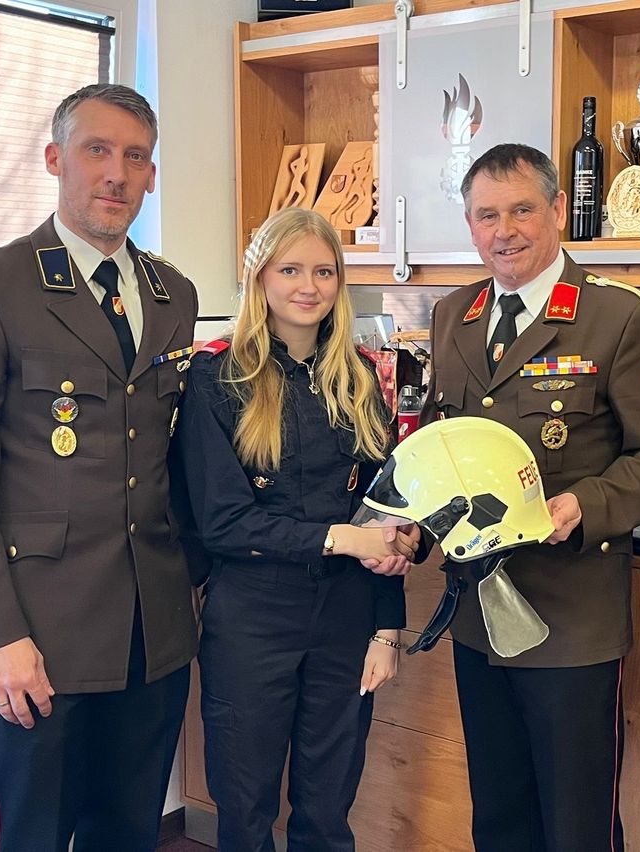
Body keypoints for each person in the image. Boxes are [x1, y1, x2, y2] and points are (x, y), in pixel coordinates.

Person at [420, 142, 640, 852]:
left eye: (521, 210)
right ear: (469, 223)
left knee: (577, 825)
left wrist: (583, 506)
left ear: (554, 212)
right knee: (500, 817)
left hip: (569, 621)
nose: (503, 230)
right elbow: (439, 443)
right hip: (479, 615)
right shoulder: (455, 313)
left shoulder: (620, 317)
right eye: (486, 215)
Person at [176, 207, 419, 852]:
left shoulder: (361, 379)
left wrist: (387, 628)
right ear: (259, 280)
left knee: (328, 810)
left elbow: (386, 513)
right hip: (252, 615)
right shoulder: (217, 378)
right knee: (246, 808)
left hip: (345, 616)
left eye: (323, 271)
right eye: (290, 269)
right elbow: (223, 521)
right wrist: (342, 538)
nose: (307, 286)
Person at [0, 84, 198, 851]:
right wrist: (1, 635)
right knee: (37, 835)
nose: (117, 173)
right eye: (97, 150)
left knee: (129, 831)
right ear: (55, 159)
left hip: (152, 631)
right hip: (42, 633)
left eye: (135, 157)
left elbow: (173, 459)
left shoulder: (171, 293)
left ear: (151, 176)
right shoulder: (6, 283)